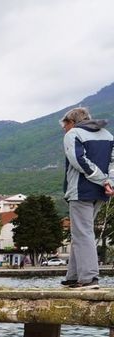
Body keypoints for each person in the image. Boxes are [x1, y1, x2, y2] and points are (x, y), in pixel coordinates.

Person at [59, 106, 114, 288]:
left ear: (72, 122)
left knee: (83, 233)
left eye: (64, 124)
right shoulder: (107, 134)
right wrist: (109, 183)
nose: (63, 128)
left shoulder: (73, 134)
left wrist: (102, 179)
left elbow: (78, 159)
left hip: (81, 190)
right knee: (80, 233)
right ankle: (74, 276)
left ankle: (90, 277)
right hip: (101, 191)